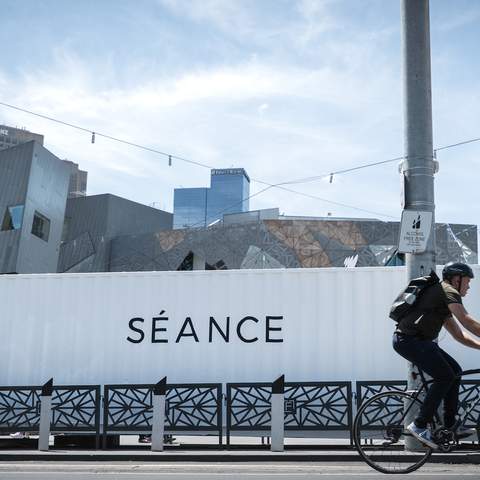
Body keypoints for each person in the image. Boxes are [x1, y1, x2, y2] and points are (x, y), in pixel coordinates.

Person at [392, 262, 480, 449]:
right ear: (457, 279)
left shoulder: (442, 301)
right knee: (445, 376)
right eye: (468, 281)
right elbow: (466, 320)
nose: (469, 286)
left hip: (416, 341)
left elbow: (459, 335)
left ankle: (450, 425)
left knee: (454, 371)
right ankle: (419, 423)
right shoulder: (447, 290)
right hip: (410, 341)